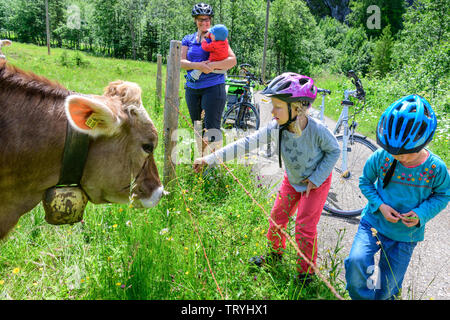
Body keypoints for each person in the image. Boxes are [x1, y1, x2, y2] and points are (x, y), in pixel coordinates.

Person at [193, 73, 340, 284]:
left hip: (315, 183)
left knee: (304, 227)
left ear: (297, 108)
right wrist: (209, 158)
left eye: (277, 106)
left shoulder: (316, 130)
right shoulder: (276, 127)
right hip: (293, 179)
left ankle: (305, 273)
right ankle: (274, 256)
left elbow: (334, 151)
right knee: (277, 218)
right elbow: (245, 144)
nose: (272, 111)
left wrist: (316, 178)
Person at [344, 94, 450, 300]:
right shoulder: (382, 156)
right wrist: (380, 205)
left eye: (405, 153)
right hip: (373, 223)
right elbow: (365, 182)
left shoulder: (436, 168)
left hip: (405, 236)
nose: (398, 157)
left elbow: (443, 195)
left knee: (388, 285)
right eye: (393, 152)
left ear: (423, 141)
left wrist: (421, 214)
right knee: (356, 262)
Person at [181, 3, 237, 155]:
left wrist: (211, 66)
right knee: (197, 127)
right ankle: (201, 160)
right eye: (200, 19)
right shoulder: (188, 39)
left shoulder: (218, 38)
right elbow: (181, 62)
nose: (204, 23)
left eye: (207, 19)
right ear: (195, 20)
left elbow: (232, 60)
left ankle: (212, 167)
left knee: (212, 128)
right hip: (192, 89)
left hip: (214, 87)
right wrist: (198, 65)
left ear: (211, 20)